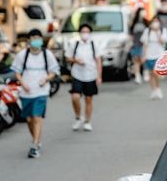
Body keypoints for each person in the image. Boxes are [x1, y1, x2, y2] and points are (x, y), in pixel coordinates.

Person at [11, 29, 60, 159]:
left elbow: (53, 71)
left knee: (37, 117)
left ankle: (34, 144)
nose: (36, 40)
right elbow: (17, 72)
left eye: (38, 38)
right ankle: (36, 141)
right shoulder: (23, 55)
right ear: (28, 40)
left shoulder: (47, 54)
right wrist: (22, 83)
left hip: (41, 90)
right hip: (27, 91)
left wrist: (46, 79)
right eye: (33, 38)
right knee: (29, 119)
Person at [64, 24, 102, 132]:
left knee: (88, 99)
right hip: (77, 74)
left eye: (87, 32)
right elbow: (67, 58)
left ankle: (87, 121)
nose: (85, 34)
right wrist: (76, 61)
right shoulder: (74, 44)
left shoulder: (94, 44)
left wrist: (99, 76)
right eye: (83, 31)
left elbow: (98, 60)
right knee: (75, 97)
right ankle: (78, 117)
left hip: (90, 75)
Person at [141, 16, 167, 100]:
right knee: (150, 74)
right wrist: (144, 55)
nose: (155, 23)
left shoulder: (163, 31)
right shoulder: (147, 31)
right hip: (149, 55)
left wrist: (157, 32)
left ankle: (158, 88)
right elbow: (145, 44)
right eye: (153, 21)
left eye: (157, 21)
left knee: (155, 72)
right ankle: (153, 90)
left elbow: (162, 42)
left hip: (159, 55)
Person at [129, 8, 148, 84]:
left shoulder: (146, 22)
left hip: (144, 44)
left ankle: (145, 73)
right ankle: (137, 75)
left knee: (143, 59)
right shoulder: (134, 23)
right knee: (136, 60)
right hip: (135, 43)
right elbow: (131, 34)